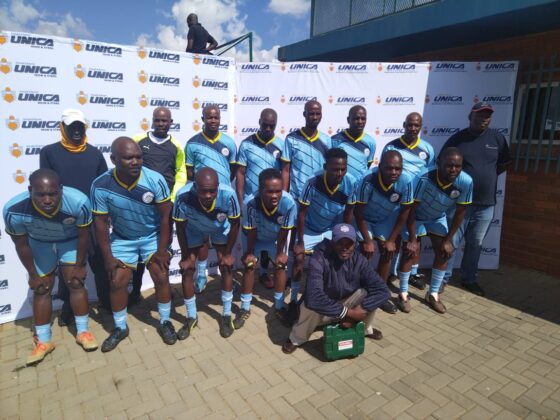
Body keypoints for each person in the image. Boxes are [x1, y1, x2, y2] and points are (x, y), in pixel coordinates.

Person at [3, 169, 98, 365]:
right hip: (40, 244)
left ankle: (83, 332)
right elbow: (21, 244)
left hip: (70, 242)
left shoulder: (79, 202)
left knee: (76, 282)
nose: (47, 200)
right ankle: (44, 341)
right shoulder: (13, 209)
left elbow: (84, 236)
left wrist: (79, 265)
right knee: (41, 288)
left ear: (61, 190)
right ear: (30, 190)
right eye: (40, 195)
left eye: (52, 194)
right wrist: (32, 274)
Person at [91, 137, 175, 352]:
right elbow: (100, 223)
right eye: (128, 158)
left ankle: (165, 321)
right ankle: (120, 327)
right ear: (113, 159)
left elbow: (166, 217)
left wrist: (162, 250)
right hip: (123, 238)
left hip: (152, 236)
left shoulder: (155, 179)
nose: (135, 162)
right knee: (117, 281)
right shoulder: (100, 184)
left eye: (139, 157)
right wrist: (108, 257)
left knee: (161, 275)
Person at [40, 108, 109, 325]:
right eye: (72, 127)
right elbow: (47, 188)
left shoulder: (95, 153)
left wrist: (106, 216)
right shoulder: (49, 152)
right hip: (65, 220)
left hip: (93, 219)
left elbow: (104, 187)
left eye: (80, 126)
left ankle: (107, 301)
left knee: (100, 262)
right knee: (68, 266)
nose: (77, 131)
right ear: (63, 128)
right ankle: (69, 307)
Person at [282, 223, 390, 354]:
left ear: (355, 244)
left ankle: (364, 329)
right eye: (340, 243)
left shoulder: (359, 260)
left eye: (349, 244)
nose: (345, 248)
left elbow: (383, 290)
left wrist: (361, 310)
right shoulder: (319, 257)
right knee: (309, 302)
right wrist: (349, 313)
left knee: (366, 293)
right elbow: (313, 298)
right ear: (332, 243)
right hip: (322, 312)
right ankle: (296, 338)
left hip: (345, 306)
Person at [441, 102, 511, 296]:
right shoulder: (458, 139)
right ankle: (442, 278)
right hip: (459, 204)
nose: (484, 119)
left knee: (475, 244)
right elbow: (443, 163)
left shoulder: (497, 138)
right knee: (452, 241)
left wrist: (485, 176)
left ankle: (469, 279)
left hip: (486, 204)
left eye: (487, 115)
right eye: (480, 115)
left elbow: (504, 164)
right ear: (470, 116)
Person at [397, 148, 472, 314]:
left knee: (444, 251)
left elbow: (460, 213)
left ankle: (433, 294)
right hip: (416, 217)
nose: (453, 170)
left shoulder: (466, 181)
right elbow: (411, 209)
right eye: (449, 165)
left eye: (458, 166)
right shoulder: (424, 177)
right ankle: (402, 294)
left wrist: (448, 240)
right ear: (439, 163)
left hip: (437, 218)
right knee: (410, 251)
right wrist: (413, 239)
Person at [173, 168, 241, 339]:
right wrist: (185, 257)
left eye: (212, 191)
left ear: (218, 186)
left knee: (225, 267)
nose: (208, 195)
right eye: (203, 191)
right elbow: (180, 227)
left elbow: (235, 224)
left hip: (220, 229)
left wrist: (228, 253)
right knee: (187, 270)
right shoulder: (182, 196)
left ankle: (226, 315)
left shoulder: (228, 194)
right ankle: (191, 317)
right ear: (195, 186)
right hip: (194, 229)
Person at [129, 107, 187, 304]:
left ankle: (164, 287)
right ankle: (135, 290)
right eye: (157, 120)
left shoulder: (176, 146)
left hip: (165, 206)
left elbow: (180, 173)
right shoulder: (138, 141)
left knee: (164, 248)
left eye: (165, 120)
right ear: (152, 121)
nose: (161, 124)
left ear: (171, 122)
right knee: (138, 248)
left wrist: (171, 199)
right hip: (140, 205)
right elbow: (129, 168)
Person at [291, 148, 355, 321]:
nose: (340, 173)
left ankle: (333, 297)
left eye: (343, 169)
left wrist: (346, 240)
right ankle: (293, 299)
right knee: (298, 258)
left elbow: (348, 214)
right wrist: (300, 242)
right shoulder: (312, 182)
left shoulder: (350, 183)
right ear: (326, 167)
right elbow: (301, 214)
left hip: (331, 229)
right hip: (310, 228)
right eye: (335, 169)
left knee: (341, 258)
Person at [354, 151, 415, 312]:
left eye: (398, 169)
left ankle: (380, 294)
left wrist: (391, 240)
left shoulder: (407, 180)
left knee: (388, 250)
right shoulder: (367, 179)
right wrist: (367, 240)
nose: (394, 172)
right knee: (365, 250)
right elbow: (358, 212)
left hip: (385, 219)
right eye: (389, 168)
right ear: (380, 166)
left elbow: (405, 212)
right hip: (364, 219)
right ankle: (357, 291)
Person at [185, 104, 237, 293]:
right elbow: (190, 172)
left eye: (216, 117)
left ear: (220, 119)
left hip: (220, 199)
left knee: (222, 239)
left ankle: (226, 279)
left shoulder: (229, 142)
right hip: (201, 197)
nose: (213, 120)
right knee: (202, 239)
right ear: (203, 119)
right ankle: (201, 275)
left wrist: (221, 187)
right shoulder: (192, 143)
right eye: (209, 117)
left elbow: (232, 170)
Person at [382, 112, 435, 295]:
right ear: (404, 125)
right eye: (410, 125)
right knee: (395, 235)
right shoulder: (391, 146)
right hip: (395, 199)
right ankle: (391, 272)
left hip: (417, 201)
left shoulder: (427, 148)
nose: (413, 128)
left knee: (415, 237)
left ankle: (413, 273)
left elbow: (429, 174)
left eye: (416, 125)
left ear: (421, 127)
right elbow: (384, 171)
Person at [237, 169, 297, 328]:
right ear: (260, 189)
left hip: (274, 238)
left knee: (280, 264)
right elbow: (251, 231)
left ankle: (279, 306)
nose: (275, 195)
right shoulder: (250, 203)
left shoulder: (289, 203)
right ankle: (245, 307)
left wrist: (280, 253)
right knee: (249, 265)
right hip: (254, 238)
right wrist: (249, 253)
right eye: (270, 191)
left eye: (278, 191)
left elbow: (285, 230)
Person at [281, 100, 331, 200]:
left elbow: (329, 170)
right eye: (311, 114)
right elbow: (285, 170)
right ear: (304, 114)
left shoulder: (327, 140)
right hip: (297, 197)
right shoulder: (291, 138)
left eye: (318, 114)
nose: (315, 117)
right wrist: (284, 196)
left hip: (318, 197)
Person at [236, 108, 284, 207]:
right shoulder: (246, 144)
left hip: (273, 201)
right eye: (265, 125)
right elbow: (240, 174)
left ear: (276, 124)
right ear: (259, 122)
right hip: (250, 200)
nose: (268, 129)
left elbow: (285, 173)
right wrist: (240, 203)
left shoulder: (282, 146)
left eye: (272, 126)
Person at [331, 105, 376, 180]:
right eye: (356, 118)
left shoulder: (371, 142)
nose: (360, 122)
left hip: (360, 185)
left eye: (363, 119)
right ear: (348, 120)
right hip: (341, 184)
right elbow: (331, 165)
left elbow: (367, 165)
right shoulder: (335, 140)